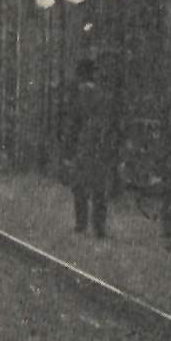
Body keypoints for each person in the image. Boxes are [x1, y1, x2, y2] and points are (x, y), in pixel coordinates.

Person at [60, 59, 116, 239]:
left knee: (80, 185)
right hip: (100, 146)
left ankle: (81, 224)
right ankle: (99, 227)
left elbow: (73, 123)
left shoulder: (79, 95)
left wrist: (68, 148)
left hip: (84, 145)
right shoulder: (104, 95)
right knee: (99, 187)